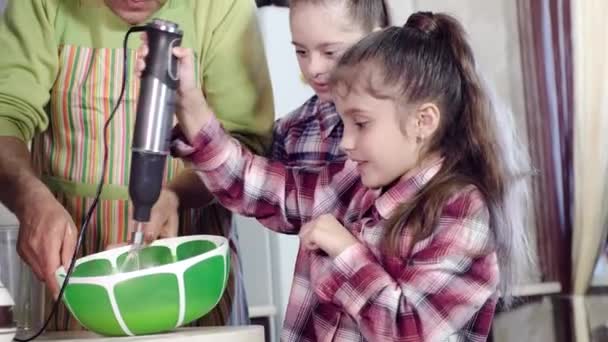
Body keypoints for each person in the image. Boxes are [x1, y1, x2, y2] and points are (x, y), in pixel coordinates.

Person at [150, 11, 534, 341]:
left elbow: (411, 329)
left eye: (361, 124)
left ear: (423, 121)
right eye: (343, 122)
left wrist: (347, 252)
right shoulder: (352, 183)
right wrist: (191, 105)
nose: (346, 142)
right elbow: (256, 185)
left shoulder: (461, 211)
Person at [0, 0, 273, 329]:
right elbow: (6, 115)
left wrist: (176, 195)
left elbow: (244, 145)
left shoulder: (222, 6)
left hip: (190, 286)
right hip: (67, 284)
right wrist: (29, 197)